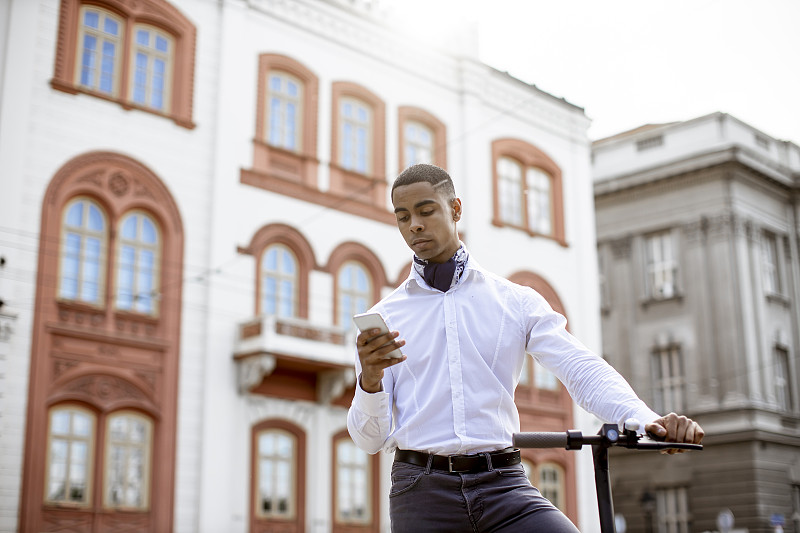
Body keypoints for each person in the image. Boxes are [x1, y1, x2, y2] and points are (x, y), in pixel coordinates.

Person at [347, 163, 704, 532]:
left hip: (503, 486)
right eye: (403, 217)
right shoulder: (382, 319)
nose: (414, 226)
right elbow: (369, 439)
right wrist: (369, 382)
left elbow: (580, 368)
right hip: (421, 492)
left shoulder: (514, 301)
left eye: (426, 210)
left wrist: (646, 421)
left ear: (455, 210)